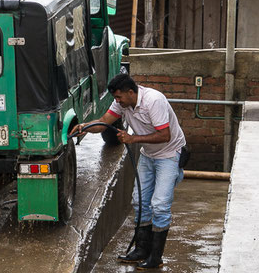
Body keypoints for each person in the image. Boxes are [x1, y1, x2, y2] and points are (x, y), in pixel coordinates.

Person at [70, 73, 186, 269]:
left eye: (119, 97)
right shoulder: (122, 103)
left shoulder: (153, 101)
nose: (117, 101)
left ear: (131, 92)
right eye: (115, 98)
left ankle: (155, 258)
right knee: (140, 201)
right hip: (149, 155)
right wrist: (84, 127)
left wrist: (133, 139)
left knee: (160, 205)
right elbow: (104, 121)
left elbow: (165, 135)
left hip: (169, 154)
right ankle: (142, 250)